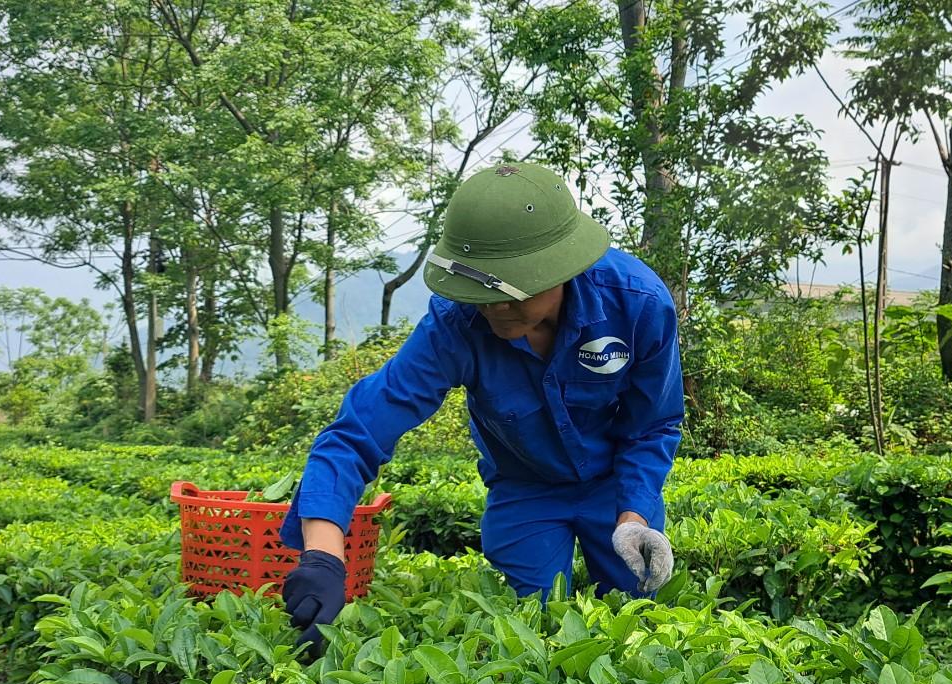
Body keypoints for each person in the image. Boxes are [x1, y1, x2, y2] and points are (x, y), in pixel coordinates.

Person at [278, 161, 684, 653]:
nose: (493, 309)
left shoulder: (637, 303)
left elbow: (652, 424)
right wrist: (322, 559)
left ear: (560, 270)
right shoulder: (455, 326)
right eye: (480, 293)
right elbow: (357, 432)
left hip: (617, 485)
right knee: (528, 626)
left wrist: (634, 516)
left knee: (633, 621)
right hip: (524, 487)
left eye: (510, 293)